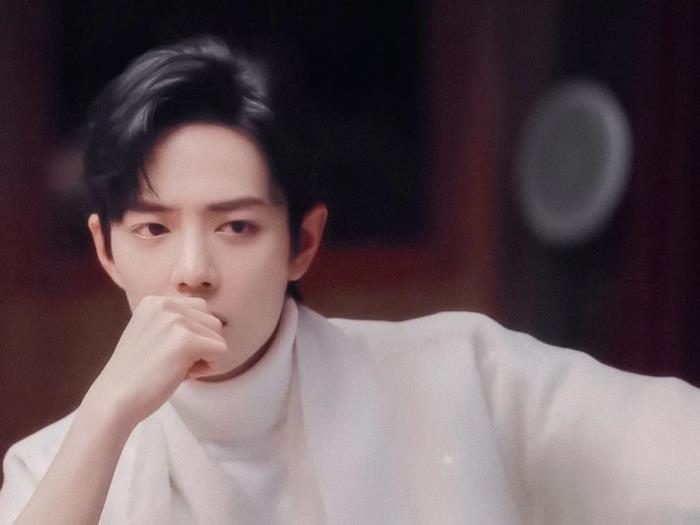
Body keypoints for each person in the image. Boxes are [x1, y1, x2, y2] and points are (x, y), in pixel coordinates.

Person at [1, 35, 699, 525]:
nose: (193, 273)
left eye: (236, 226)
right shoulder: (55, 464)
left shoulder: (461, 373)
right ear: (106, 249)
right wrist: (106, 413)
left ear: (302, 243)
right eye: (153, 230)